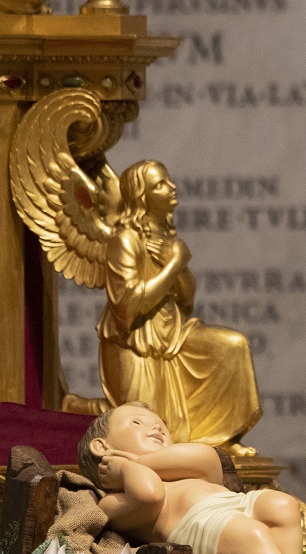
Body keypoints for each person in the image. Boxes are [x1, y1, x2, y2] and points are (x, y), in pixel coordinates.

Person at [76, 401, 306, 554]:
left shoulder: (181, 467)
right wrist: (125, 467)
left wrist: (141, 461)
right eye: (137, 422)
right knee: (252, 535)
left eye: (162, 426)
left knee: (281, 504)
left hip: (233, 503)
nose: (157, 428)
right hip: (198, 525)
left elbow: (207, 457)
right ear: (102, 447)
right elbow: (149, 495)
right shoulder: (112, 502)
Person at [93, 160, 262, 451]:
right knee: (145, 422)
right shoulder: (125, 240)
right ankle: (78, 409)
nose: (171, 188)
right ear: (142, 197)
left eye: (168, 181)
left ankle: (221, 440)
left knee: (233, 346)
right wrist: (173, 265)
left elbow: (186, 302)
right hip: (134, 341)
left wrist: (179, 267)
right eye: (160, 184)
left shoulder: (168, 239)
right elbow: (127, 307)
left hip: (172, 334)